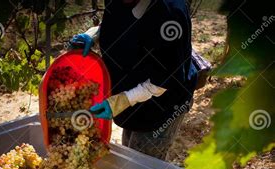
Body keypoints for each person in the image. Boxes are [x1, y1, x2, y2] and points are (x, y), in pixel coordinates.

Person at [70, 0, 197, 160]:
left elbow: (163, 81)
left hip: (162, 106)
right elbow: (118, 22)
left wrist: (121, 101)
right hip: (133, 95)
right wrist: (93, 34)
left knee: (142, 164)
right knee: (130, 153)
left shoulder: (169, 13)